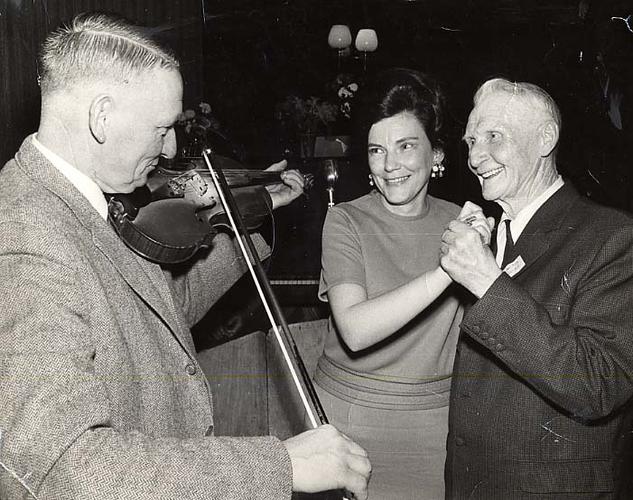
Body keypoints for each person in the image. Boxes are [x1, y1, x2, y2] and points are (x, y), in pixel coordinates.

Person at [0, 12, 371, 500]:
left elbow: (155, 314)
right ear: (101, 118)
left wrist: (246, 220)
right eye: (161, 128)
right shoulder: (25, 237)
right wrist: (280, 465)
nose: (172, 146)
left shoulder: (77, 204)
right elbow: (63, 468)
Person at [440, 77, 633, 499]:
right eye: (470, 140)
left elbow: (599, 383)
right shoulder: (495, 236)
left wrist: (487, 281)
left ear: (546, 138)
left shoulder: (613, 236)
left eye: (494, 136)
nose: (475, 156)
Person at [314, 68, 489, 499]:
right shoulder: (345, 220)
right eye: (377, 150)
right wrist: (448, 270)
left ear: (437, 154)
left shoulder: (462, 225)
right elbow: (355, 330)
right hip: (346, 427)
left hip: (434, 431)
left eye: (406, 146)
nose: (390, 165)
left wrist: (489, 253)